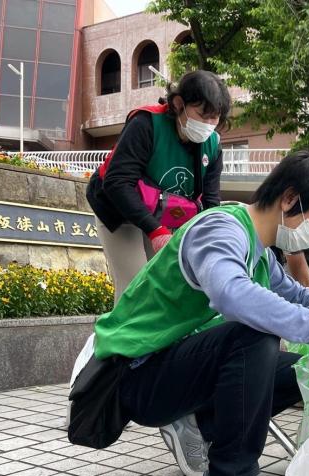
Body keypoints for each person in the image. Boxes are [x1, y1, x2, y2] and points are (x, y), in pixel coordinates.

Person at [79, 150, 309, 476]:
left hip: (171, 369)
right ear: (288, 199)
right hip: (135, 374)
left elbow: (294, 294)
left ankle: (204, 425)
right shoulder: (221, 229)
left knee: (306, 370)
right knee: (254, 335)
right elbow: (232, 295)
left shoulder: (261, 251)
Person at [86, 70, 230, 303]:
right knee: (134, 288)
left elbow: (210, 203)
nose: (208, 125)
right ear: (178, 104)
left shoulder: (212, 146)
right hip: (118, 209)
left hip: (160, 216)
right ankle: (115, 339)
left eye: (215, 118)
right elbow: (117, 181)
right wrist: (155, 231)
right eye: (203, 115)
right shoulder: (146, 124)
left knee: (166, 286)